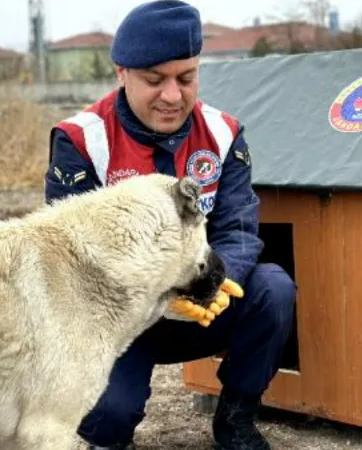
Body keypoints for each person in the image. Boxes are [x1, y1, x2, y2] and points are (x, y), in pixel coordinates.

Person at [43, 1, 297, 449]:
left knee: (273, 288)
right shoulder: (82, 139)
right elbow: (70, 255)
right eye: (154, 80)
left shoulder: (223, 132)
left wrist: (217, 285)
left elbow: (238, 229)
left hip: (198, 308)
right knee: (108, 421)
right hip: (119, 319)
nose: (173, 96)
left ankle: (236, 418)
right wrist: (157, 293)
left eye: (186, 77)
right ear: (122, 73)